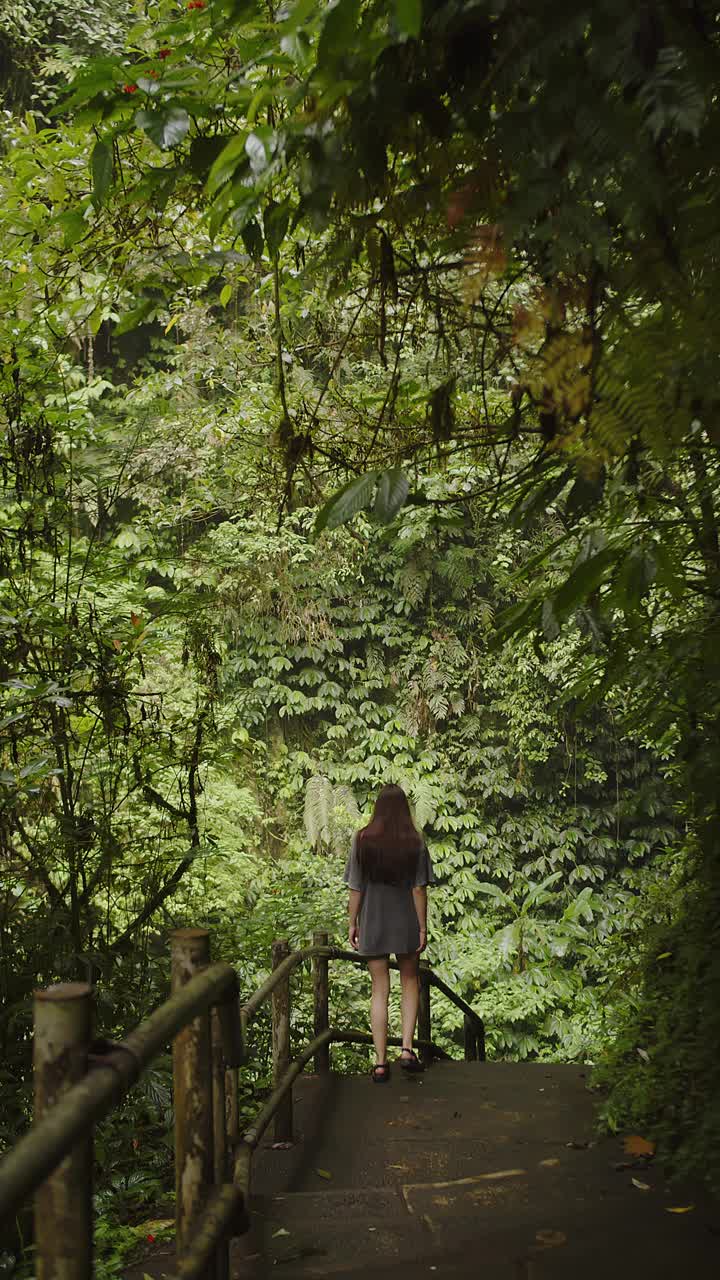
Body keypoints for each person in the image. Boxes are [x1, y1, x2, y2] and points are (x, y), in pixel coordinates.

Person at [343, 783, 436, 1082]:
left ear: (378, 809)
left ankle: (380, 1063)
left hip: (373, 920)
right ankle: (407, 1050)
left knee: (378, 990)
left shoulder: (362, 840)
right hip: (406, 921)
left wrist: (352, 922)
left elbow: (355, 887)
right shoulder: (415, 841)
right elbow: (418, 887)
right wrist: (422, 926)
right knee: (410, 981)